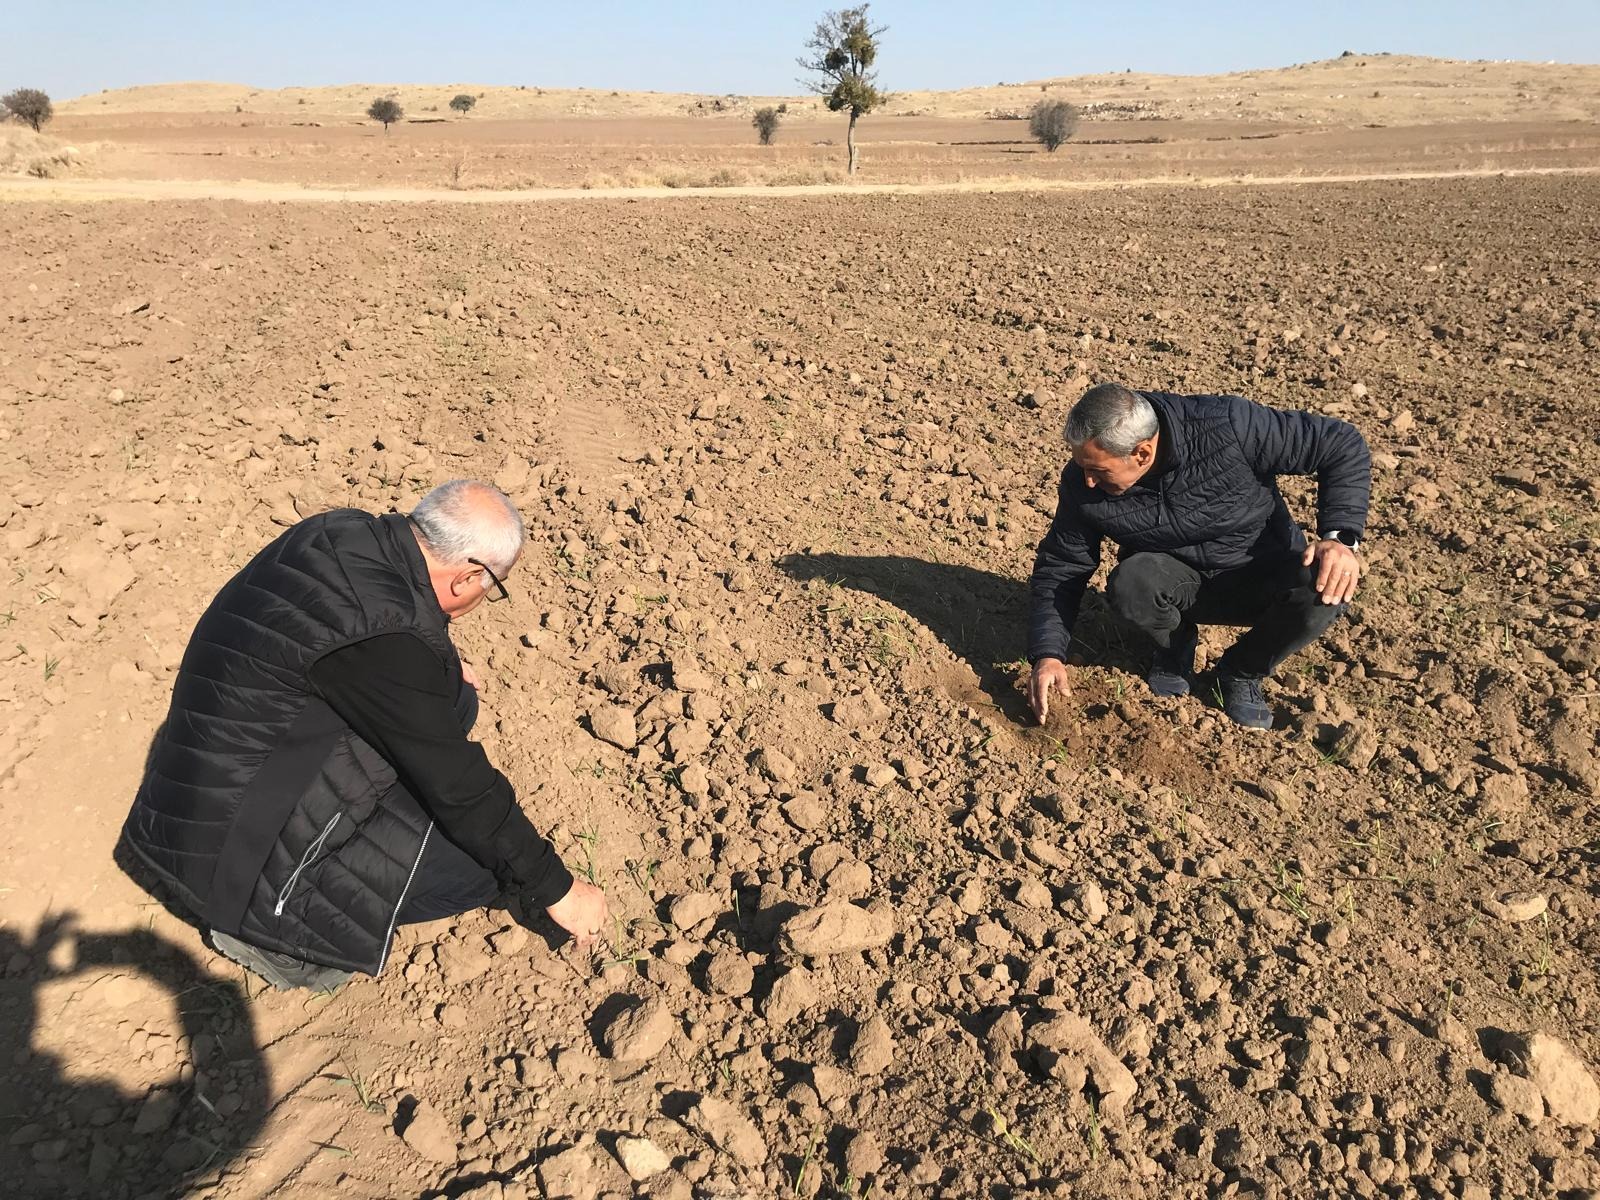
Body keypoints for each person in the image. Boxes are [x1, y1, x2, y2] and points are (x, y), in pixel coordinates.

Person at [120, 480, 607, 991]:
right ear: (469, 576)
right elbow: (462, 788)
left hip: (208, 781)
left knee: (453, 700)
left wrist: (435, 669)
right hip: (226, 858)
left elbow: (355, 645)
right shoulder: (383, 641)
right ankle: (270, 930)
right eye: (494, 587)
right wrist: (558, 888)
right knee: (481, 869)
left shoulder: (342, 530)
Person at [1028, 383, 1370, 730]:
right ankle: (1175, 650)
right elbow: (1062, 566)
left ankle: (1239, 673)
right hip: (1176, 582)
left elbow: (1340, 444)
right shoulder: (1083, 485)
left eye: (1099, 471)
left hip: (1262, 575)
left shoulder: (1230, 426)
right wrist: (1048, 653)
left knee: (1325, 585)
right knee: (1132, 582)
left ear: (1142, 454)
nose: (1086, 480)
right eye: (1082, 466)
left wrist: (1340, 539)